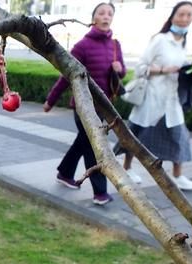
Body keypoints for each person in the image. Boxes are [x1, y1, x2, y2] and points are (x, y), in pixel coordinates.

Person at [43, 2, 126, 205]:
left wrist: (119, 67)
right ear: (93, 18)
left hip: (105, 107)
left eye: (110, 13)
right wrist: (50, 101)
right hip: (83, 107)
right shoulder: (82, 46)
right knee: (93, 147)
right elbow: (66, 76)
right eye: (101, 13)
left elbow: (120, 74)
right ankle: (100, 192)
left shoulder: (115, 45)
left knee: (83, 142)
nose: (106, 16)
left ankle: (64, 172)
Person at [120, 2, 192, 191]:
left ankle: (178, 175)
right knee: (136, 134)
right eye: (181, 14)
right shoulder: (160, 40)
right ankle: (127, 168)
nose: (185, 19)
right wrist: (163, 70)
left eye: (189, 15)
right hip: (151, 97)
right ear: (172, 16)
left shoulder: (183, 44)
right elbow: (140, 68)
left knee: (179, 136)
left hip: (171, 100)